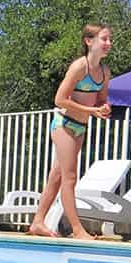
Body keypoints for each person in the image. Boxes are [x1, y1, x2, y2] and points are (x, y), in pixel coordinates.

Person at [28, 25, 114, 240]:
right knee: (70, 177)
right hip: (64, 124)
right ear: (88, 41)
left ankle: (38, 222)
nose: (108, 44)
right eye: (104, 39)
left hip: (81, 127)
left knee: (57, 176)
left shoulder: (104, 72)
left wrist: (104, 107)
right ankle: (77, 230)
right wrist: (91, 110)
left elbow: (102, 98)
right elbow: (60, 100)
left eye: (109, 40)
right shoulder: (79, 67)